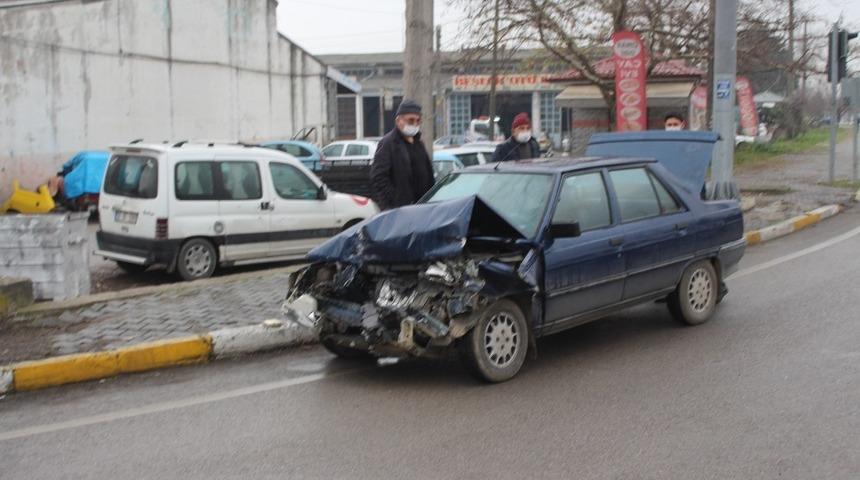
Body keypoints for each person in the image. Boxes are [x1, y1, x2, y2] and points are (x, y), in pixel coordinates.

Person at [369, 99, 435, 211]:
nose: (415, 124)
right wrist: (393, 202)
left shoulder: (419, 144)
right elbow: (378, 177)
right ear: (399, 120)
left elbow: (428, 175)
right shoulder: (388, 143)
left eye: (418, 121)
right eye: (410, 120)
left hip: (422, 209)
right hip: (399, 211)